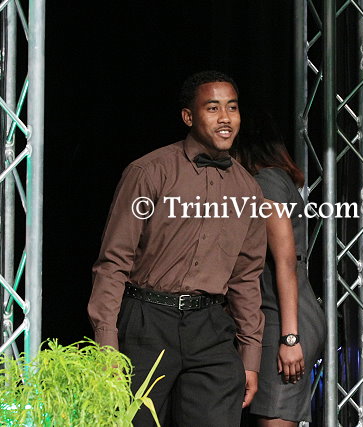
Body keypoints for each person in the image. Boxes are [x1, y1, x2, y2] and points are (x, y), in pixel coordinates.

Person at [87, 71, 266, 427]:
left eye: (232, 107)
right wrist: (106, 342)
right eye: (213, 108)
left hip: (211, 327)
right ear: (188, 117)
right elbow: (113, 261)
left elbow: (246, 278)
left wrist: (250, 357)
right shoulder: (149, 172)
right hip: (147, 321)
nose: (225, 118)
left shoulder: (248, 190)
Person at [231, 111, 326, 426]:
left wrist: (290, 339)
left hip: (284, 320)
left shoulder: (266, 183)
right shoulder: (269, 180)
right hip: (278, 316)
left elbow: (286, 262)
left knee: (275, 417)